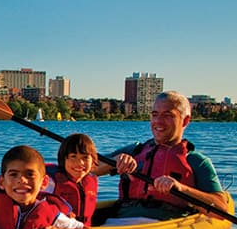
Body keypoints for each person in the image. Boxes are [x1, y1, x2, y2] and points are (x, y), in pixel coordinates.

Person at [94, 91, 229, 221]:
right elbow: (86, 169)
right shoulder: (134, 150)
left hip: (164, 224)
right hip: (120, 220)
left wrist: (180, 187)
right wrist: (114, 161)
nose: (158, 121)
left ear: (185, 121)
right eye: (155, 114)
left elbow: (221, 210)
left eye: (167, 115)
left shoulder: (196, 161)